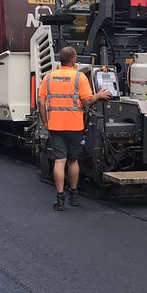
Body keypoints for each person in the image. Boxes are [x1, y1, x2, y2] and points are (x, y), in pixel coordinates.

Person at [36, 46, 111, 210]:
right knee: (72, 160)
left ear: (60, 60)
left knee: (59, 160)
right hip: (74, 126)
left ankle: (60, 198)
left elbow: (41, 101)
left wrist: (45, 121)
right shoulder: (79, 78)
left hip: (55, 125)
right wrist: (99, 95)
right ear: (73, 60)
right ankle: (74, 195)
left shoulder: (48, 77)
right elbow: (87, 101)